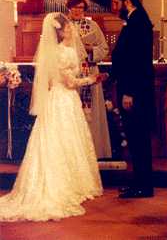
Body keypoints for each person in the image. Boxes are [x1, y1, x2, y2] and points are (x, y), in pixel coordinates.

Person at [0, 13, 107, 221]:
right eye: (67, 28)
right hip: (63, 99)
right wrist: (92, 79)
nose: (71, 30)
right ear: (59, 32)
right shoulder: (61, 53)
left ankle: (73, 181)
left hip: (63, 99)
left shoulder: (62, 51)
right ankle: (63, 184)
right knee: (62, 140)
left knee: (67, 141)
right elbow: (69, 83)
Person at [110, 0, 155, 198]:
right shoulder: (134, 19)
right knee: (136, 139)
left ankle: (143, 186)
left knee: (138, 138)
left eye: (116, 2)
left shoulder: (138, 22)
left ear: (127, 0)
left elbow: (137, 62)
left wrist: (129, 92)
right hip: (131, 88)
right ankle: (139, 183)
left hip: (134, 91)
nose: (114, 6)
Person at [66, 0, 112, 159]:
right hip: (71, 74)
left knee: (91, 115)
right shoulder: (63, 26)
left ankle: (92, 152)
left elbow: (105, 49)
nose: (78, 10)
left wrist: (91, 49)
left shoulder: (92, 27)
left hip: (90, 73)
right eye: (74, 7)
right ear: (69, 8)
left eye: (81, 7)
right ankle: (73, 154)